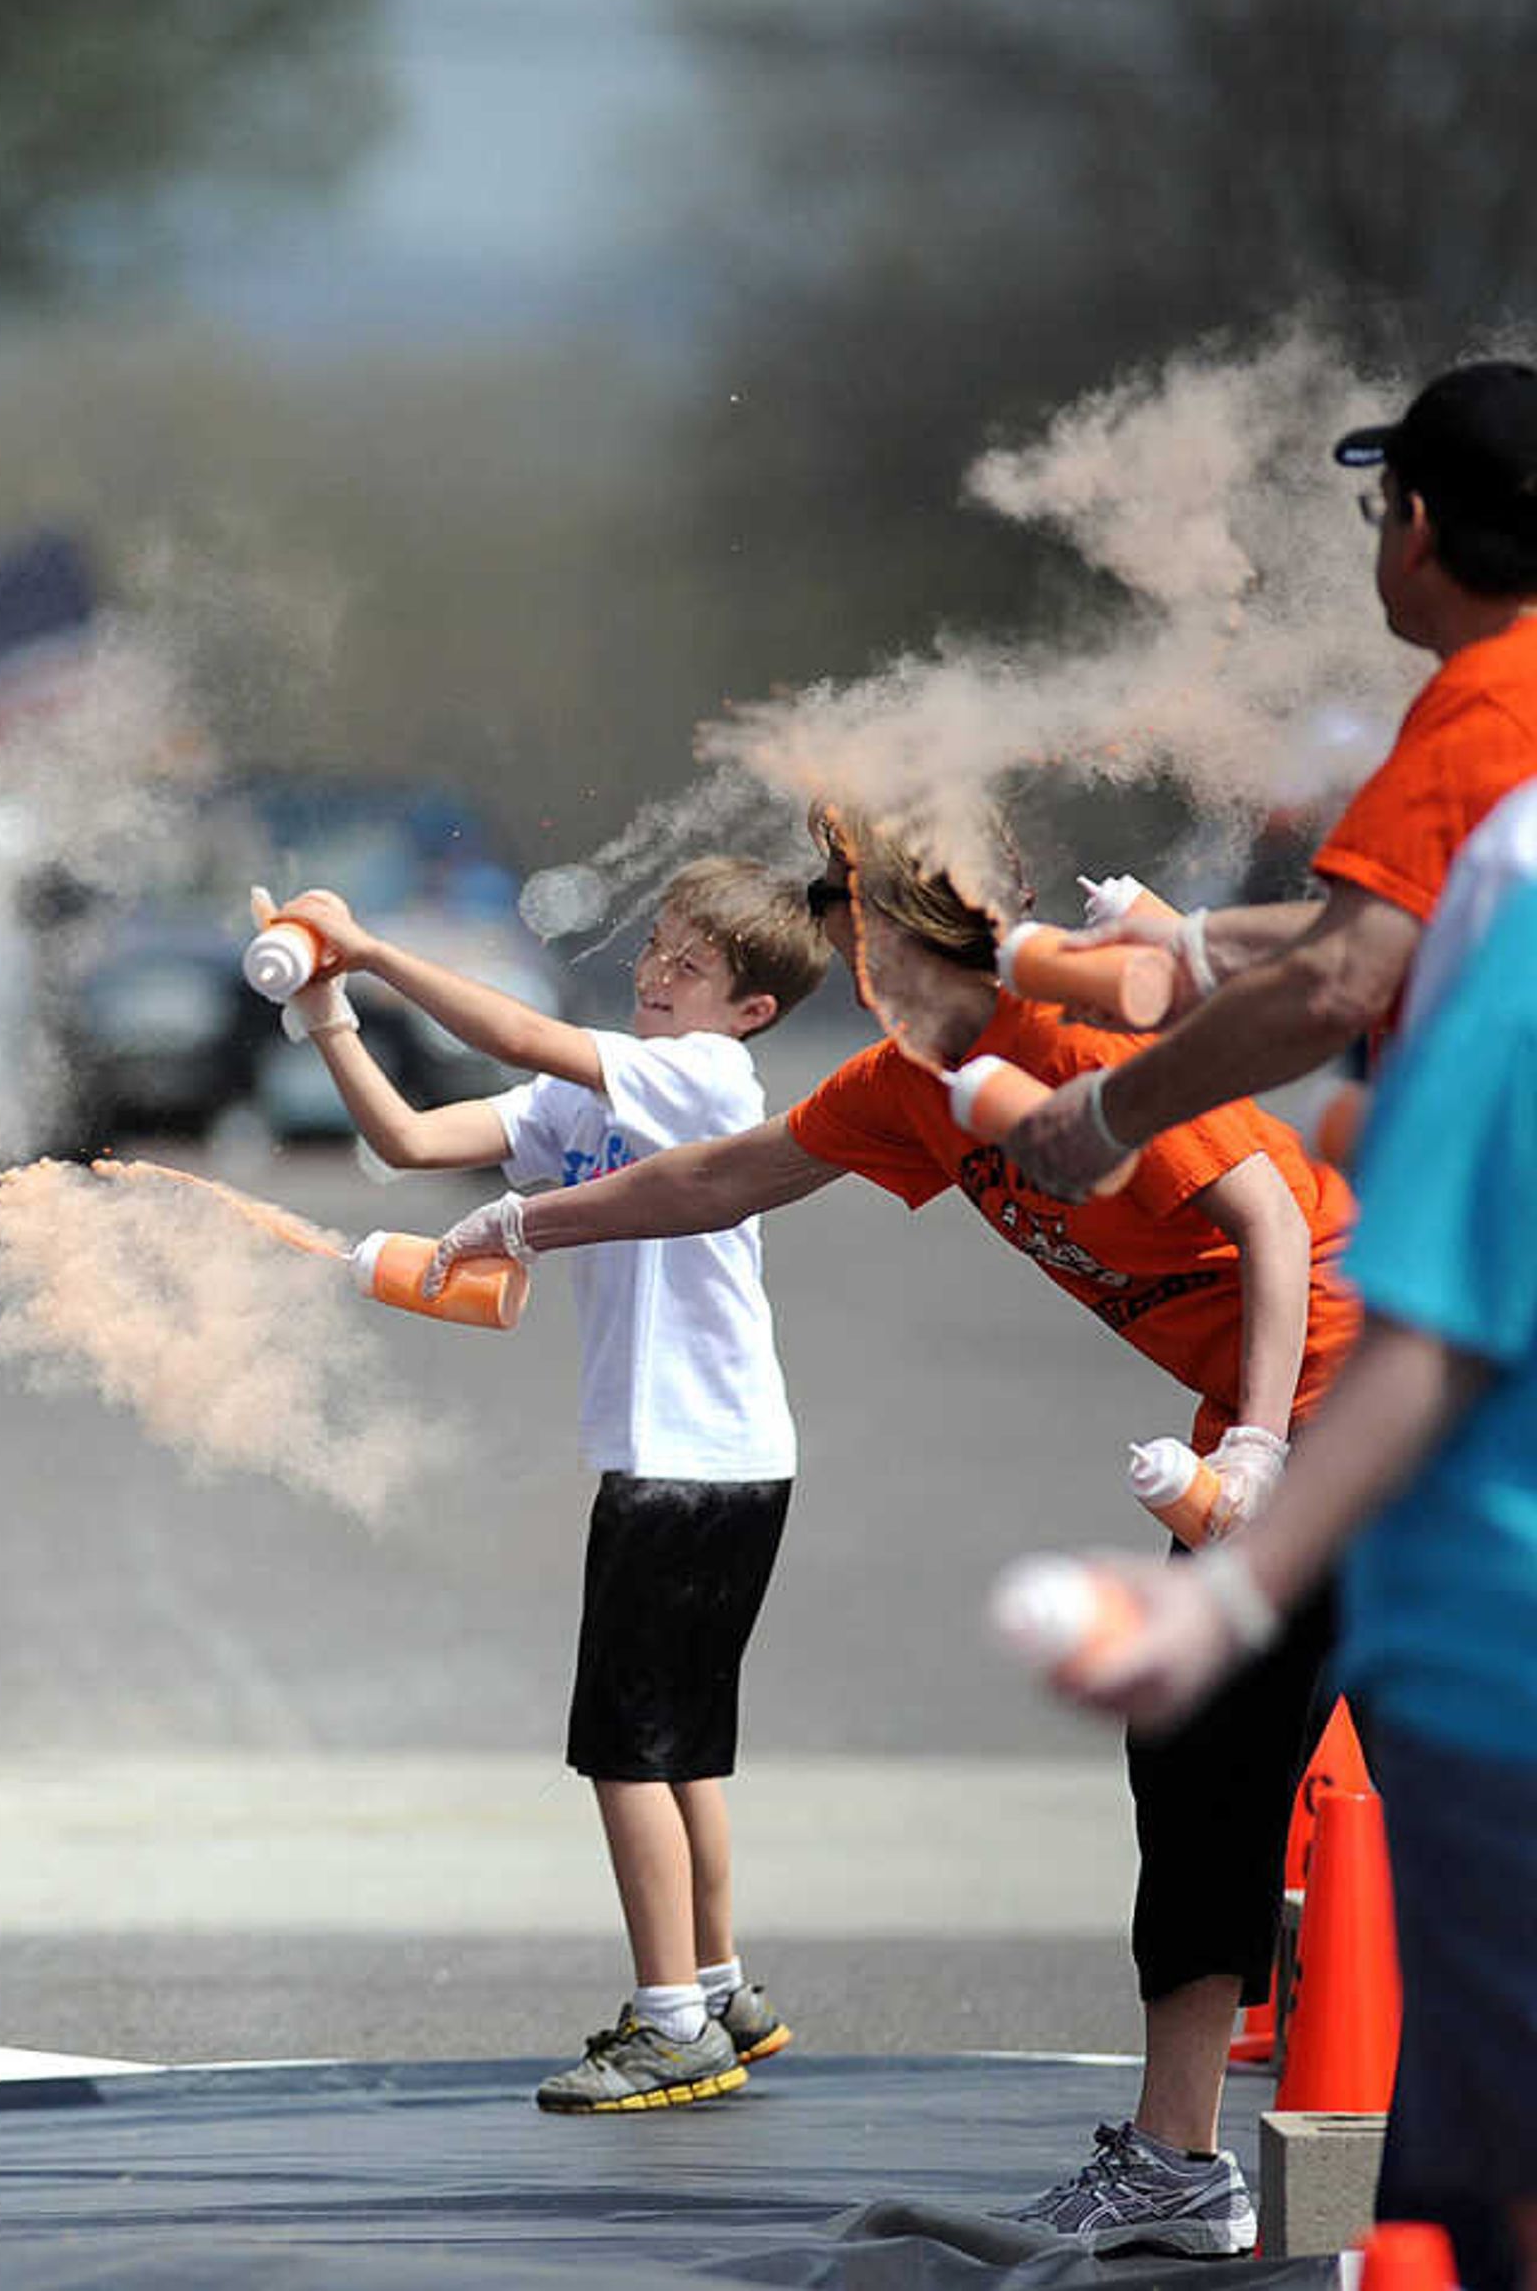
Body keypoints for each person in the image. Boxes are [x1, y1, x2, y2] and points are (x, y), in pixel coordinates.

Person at [429, 808, 1347, 2258]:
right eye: (865, 936)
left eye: (904, 936)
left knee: (1302, 1758)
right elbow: (723, 1175)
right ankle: (1179, 2163)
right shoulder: (901, 1085)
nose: (880, 967)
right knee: (1199, 1768)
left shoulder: (1076, 1040)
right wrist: (531, 1224)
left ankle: (1203, 2153)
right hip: (1284, 1423)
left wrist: (1259, 1440)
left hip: (1367, 1394)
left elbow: (1270, 1216)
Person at [1042, 784, 1537, 2291]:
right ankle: (1175, 2156)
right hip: (1433, 1542)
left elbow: (1339, 974)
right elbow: (1349, 945)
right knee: (1214, 1775)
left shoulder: (1501, 840)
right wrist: (1180, 937)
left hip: (1463, 1556)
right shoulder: (1499, 863)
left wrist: (1124, 1085)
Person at [262, 860, 827, 2114]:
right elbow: (408, 1141)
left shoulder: (702, 1079)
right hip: (708, 1456)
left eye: (692, 965)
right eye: (658, 949)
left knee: (627, 1750)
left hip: (694, 1460)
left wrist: (368, 944)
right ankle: (720, 1985)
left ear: (752, 1014)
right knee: (683, 1748)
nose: (658, 974)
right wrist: (326, 1012)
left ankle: (673, 2020)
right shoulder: (602, 1093)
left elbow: (512, 1026)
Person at [1008, 359, 1537, 1200]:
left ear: (1421, 528)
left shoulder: (1489, 706)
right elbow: (1419, 926)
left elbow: (1338, 980)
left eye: (1382, 509)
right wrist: (1196, 948)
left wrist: (1104, 1116)